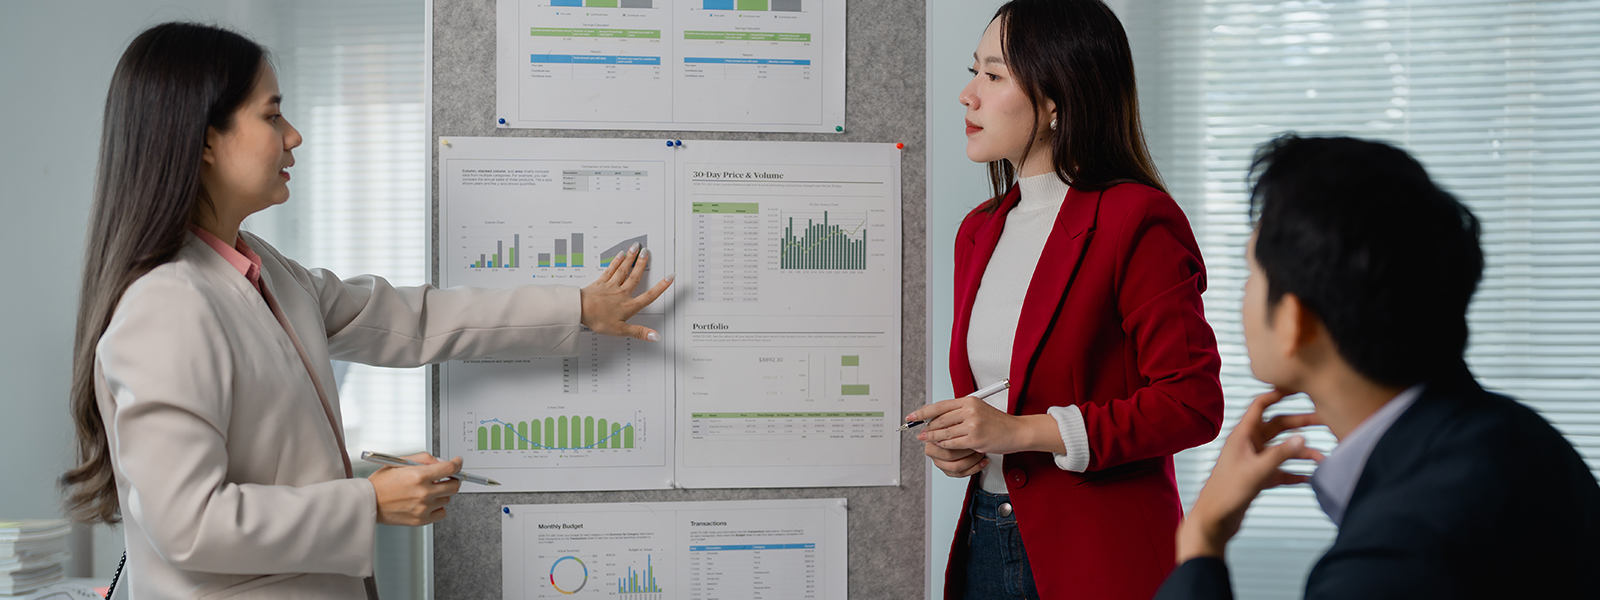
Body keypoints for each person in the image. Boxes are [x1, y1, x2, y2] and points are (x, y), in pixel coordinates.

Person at [59, 23, 671, 599]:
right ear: (204, 141)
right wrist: (369, 503)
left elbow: (409, 319)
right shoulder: (164, 307)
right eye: (272, 115)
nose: (293, 135)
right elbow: (189, 525)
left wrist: (578, 308)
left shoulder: (258, 269)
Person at [1156, 135, 1600, 599]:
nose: (1241, 297)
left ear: (1293, 321)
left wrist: (1201, 542)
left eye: (1252, 274)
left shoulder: (1396, 555)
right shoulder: (1520, 439)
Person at [905, 1, 1225, 598]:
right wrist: (967, 446)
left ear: (1055, 99)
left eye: (993, 75)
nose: (967, 95)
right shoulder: (980, 229)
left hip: (1097, 555)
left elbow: (1192, 402)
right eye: (973, 70)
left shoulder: (1136, 219)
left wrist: (1021, 433)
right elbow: (1004, 396)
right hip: (986, 534)